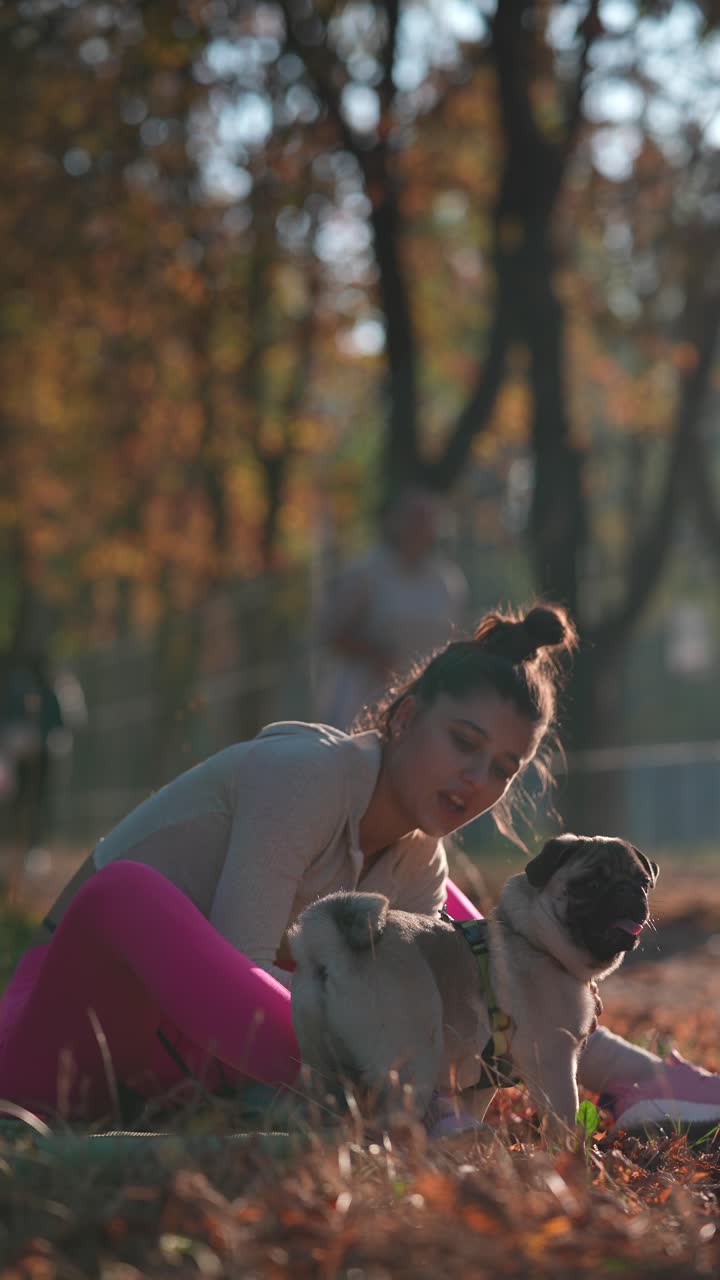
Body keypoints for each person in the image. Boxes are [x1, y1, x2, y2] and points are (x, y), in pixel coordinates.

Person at [0, 602, 719, 1138]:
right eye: (463, 743)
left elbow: (468, 1005)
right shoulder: (306, 777)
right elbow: (233, 971)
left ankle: (641, 1081)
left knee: (460, 939)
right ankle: (429, 1110)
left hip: (171, 1084)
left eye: (505, 768)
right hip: (54, 1043)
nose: (477, 780)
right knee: (129, 894)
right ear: (404, 720)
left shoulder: (419, 862)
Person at [315, 486, 468, 729]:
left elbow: (452, 639)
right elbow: (331, 634)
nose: (419, 527)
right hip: (364, 699)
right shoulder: (366, 572)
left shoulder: (447, 581)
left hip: (422, 700)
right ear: (395, 522)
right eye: (413, 518)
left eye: (427, 520)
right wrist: (375, 654)